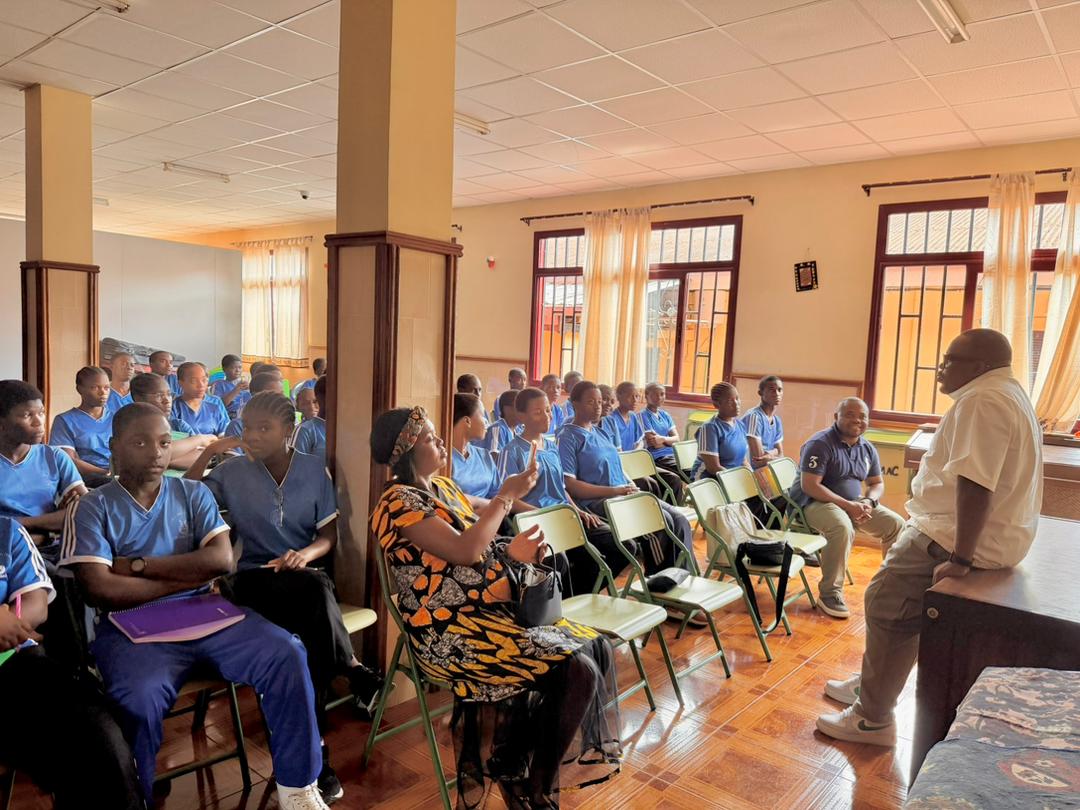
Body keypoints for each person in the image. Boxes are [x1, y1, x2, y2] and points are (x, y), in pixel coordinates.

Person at [60, 403, 331, 809]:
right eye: (140, 442)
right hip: (130, 629)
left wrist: (138, 567)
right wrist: (186, 577)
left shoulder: (193, 493)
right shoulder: (92, 507)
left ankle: (298, 789)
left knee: (286, 652)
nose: (155, 453)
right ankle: (138, 796)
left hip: (208, 612)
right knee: (138, 697)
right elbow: (100, 589)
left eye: (165, 443)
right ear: (114, 448)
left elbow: (220, 562)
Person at [369, 406, 621, 807]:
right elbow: (466, 550)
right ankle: (534, 782)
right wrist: (507, 496)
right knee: (575, 670)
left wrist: (516, 531)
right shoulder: (396, 502)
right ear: (407, 448)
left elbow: (482, 530)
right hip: (445, 629)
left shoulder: (443, 488)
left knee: (592, 650)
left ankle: (517, 761)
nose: (439, 442)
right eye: (431, 437)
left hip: (483, 609)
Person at [817, 329, 1043, 745]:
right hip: (979, 536)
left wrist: (960, 557)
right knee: (901, 612)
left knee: (887, 606)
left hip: (949, 536)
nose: (941, 367)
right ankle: (875, 684)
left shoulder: (982, 400)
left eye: (951, 359)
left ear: (980, 365)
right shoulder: (1007, 393)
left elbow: (976, 483)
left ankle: (872, 717)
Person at [188, 392, 382, 802]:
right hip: (253, 581)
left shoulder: (314, 471)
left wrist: (303, 555)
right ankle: (350, 664)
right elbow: (185, 496)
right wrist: (211, 451)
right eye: (247, 428)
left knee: (308, 646)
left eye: (264, 428)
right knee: (315, 589)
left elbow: (327, 537)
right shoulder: (233, 471)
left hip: (301, 581)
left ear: (290, 432)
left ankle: (317, 763)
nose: (253, 437)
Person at [0, 516, 144, 810]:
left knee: (98, 736)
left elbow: (35, 605)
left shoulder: (7, 531)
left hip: (14, 665)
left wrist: (10, 624)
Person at [500, 387, 632, 597]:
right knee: (575, 558)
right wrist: (545, 515)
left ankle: (577, 597)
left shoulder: (551, 447)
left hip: (565, 516)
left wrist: (576, 509)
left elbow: (561, 488)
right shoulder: (513, 450)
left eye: (548, 410)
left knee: (623, 546)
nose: (547, 416)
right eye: (538, 412)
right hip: (538, 522)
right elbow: (507, 500)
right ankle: (563, 602)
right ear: (521, 416)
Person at [559, 380, 695, 576]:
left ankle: (682, 576)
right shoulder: (568, 437)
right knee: (659, 523)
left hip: (623, 493)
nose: (599, 406)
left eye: (600, 401)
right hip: (600, 501)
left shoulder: (600, 431)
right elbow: (571, 486)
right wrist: (615, 491)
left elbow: (618, 466)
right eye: (591, 402)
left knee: (679, 519)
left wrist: (631, 485)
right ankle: (660, 582)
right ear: (575, 404)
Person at [787, 398, 905, 619]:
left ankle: (890, 587)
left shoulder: (867, 448)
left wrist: (868, 502)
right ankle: (829, 594)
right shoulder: (820, 444)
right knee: (841, 527)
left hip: (853, 501)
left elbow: (877, 483)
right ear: (836, 417)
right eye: (850, 414)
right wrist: (849, 506)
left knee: (896, 524)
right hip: (811, 502)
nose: (857, 420)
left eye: (863, 416)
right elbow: (810, 486)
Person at [0, 380, 86, 547]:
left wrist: (23, 523)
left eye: (41, 412)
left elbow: (84, 512)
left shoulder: (54, 457)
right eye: (27, 415)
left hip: (50, 547)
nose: (39, 422)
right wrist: (54, 520)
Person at [130, 372, 216, 470]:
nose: (167, 400)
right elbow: (150, 454)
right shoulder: (132, 428)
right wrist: (199, 439)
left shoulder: (179, 425)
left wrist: (162, 462)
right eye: (159, 395)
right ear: (139, 399)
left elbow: (203, 456)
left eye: (169, 394)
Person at [49, 366, 114, 483]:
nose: (102, 392)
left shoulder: (117, 418)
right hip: (86, 480)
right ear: (80, 389)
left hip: (119, 476)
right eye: (95, 387)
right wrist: (106, 473)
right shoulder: (65, 420)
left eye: (107, 388)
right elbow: (68, 460)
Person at [450, 393, 507, 508]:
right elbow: (449, 502)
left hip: (493, 518)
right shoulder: (444, 458)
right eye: (482, 415)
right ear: (467, 421)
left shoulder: (484, 455)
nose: (487, 422)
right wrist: (492, 505)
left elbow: (499, 495)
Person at [639, 382, 686, 501]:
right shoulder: (643, 416)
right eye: (655, 395)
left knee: (696, 469)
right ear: (646, 395)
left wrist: (663, 439)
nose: (660, 398)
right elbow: (654, 443)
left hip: (673, 455)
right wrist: (667, 441)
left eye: (662, 394)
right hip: (658, 458)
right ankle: (676, 509)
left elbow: (677, 438)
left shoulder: (665, 415)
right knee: (680, 477)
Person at [692, 382, 748, 479]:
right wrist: (738, 481)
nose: (736, 404)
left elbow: (743, 461)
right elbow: (713, 468)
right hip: (709, 480)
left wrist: (754, 477)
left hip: (732, 479)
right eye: (730, 401)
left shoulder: (740, 425)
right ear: (717, 404)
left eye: (737, 398)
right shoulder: (710, 428)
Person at [172, 361, 230, 437]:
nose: (201, 385)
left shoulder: (215, 403)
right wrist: (198, 441)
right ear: (180, 383)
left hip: (214, 446)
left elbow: (225, 432)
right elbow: (172, 437)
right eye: (193, 381)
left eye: (204, 380)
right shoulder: (174, 407)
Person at [742, 375, 784, 468]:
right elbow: (758, 460)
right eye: (772, 390)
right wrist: (774, 452)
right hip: (747, 472)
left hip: (765, 470)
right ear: (760, 393)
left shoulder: (777, 421)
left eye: (779, 390)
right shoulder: (754, 417)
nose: (777, 393)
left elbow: (781, 454)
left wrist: (769, 456)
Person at [601, 381, 645, 451]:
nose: (635, 400)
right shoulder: (611, 419)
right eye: (630, 396)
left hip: (632, 456)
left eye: (637, 396)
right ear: (619, 397)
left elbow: (640, 441)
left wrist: (635, 452)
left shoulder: (633, 416)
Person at [293, 376, 327, 462]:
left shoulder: (341, 428)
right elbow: (296, 467)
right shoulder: (305, 430)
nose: (311, 407)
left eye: (314, 402)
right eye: (305, 403)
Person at [479, 389, 521, 454]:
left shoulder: (518, 430)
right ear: (506, 409)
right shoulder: (498, 429)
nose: (524, 411)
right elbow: (494, 456)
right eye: (519, 407)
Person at [210, 354, 250, 420]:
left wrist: (251, 389)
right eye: (233, 367)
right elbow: (220, 405)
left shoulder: (245, 384)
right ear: (224, 369)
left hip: (245, 415)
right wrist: (237, 389)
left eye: (240, 367)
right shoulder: (219, 384)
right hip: (228, 416)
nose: (237, 370)